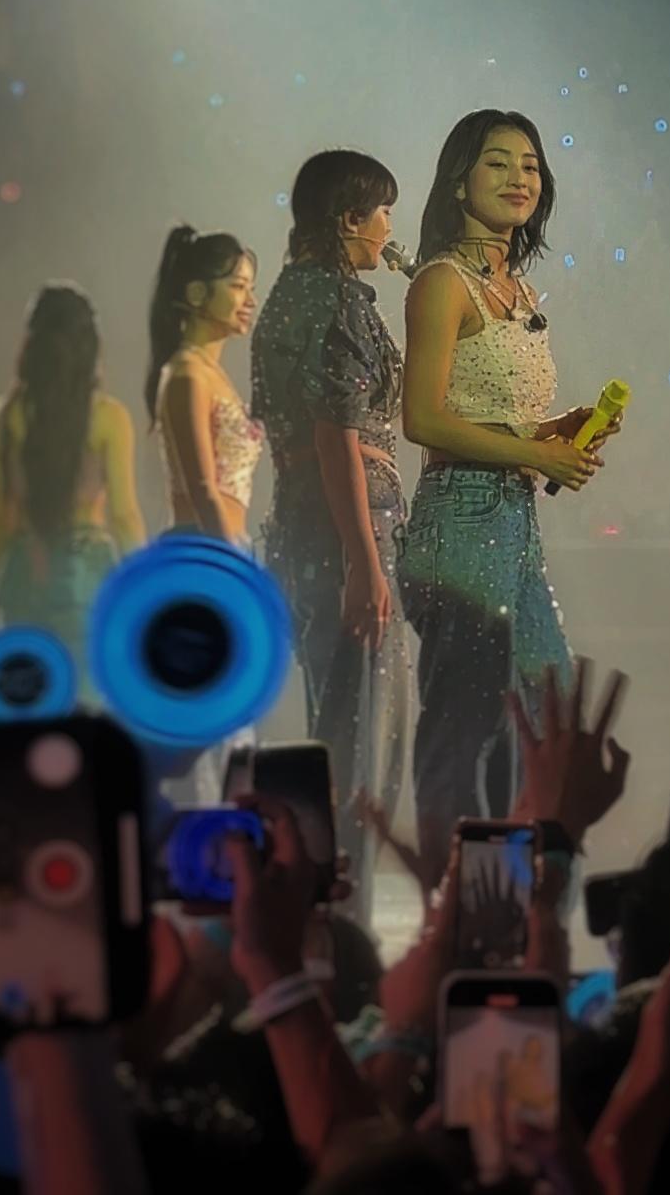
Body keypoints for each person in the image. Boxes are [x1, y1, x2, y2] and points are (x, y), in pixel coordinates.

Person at [400, 109, 612, 883]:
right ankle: (454, 902)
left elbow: (497, 418)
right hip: (458, 523)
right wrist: (533, 451)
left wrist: (560, 430)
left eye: (530, 164)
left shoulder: (518, 291)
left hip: (515, 525)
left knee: (548, 721)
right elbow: (422, 420)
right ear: (459, 182)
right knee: (467, 731)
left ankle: (523, 903)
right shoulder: (440, 283)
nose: (520, 177)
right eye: (498, 162)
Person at [251, 150, 410, 915]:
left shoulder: (287, 294)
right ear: (349, 218)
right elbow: (334, 434)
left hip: (302, 525)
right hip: (347, 530)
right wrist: (364, 562)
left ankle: (323, 914)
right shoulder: (338, 298)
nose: (388, 228)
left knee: (335, 730)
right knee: (361, 741)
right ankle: (343, 926)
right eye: (382, 212)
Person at [0, 282, 145, 688]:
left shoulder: (6, 417)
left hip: (23, 567)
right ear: (91, 345)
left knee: (31, 700)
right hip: (87, 574)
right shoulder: (109, 418)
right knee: (87, 700)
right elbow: (124, 516)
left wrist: (4, 576)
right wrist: (145, 585)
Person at [145, 224, 263, 551]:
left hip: (226, 542)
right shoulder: (188, 375)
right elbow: (202, 489)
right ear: (196, 293)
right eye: (238, 287)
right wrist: (230, 559)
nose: (250, 301)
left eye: (250, 288)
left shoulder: (210, 373)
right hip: (204, 545)